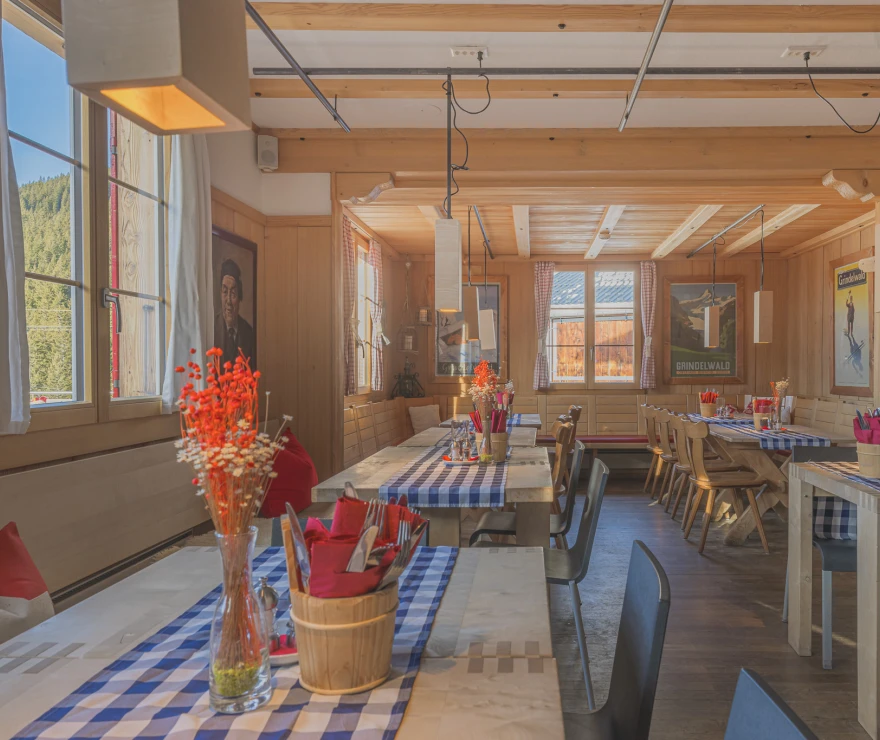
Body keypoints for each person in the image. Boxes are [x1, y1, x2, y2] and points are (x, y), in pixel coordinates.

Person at [214, 258, 256, 367]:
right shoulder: (212, 328)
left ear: (239, 296)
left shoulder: (248, 333)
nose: (228, 301)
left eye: (233, 293)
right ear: (220, 293)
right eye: (225, 292)